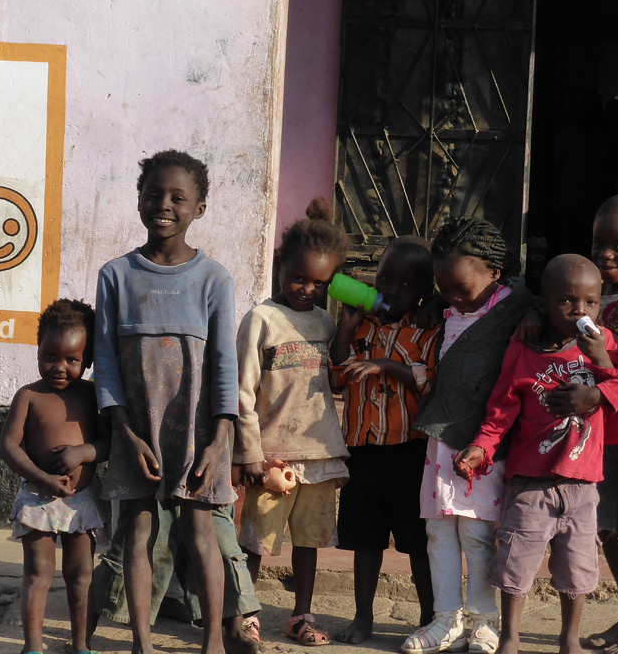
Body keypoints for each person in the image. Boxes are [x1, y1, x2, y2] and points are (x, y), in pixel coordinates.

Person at [94, 149, 238, 654]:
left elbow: (224, 366)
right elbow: (107, 364)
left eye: (179, 197)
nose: (164, 205)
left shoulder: (214, 279)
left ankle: (214, 640)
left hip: (198, 434)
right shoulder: (116, 275)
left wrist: (219, 441)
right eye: (153, 194)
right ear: (138, 200)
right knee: (137, 532)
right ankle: (141, 642)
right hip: (135, 430)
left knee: (202, 532)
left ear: (200, 207)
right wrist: (125, 433)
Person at [454, 254, 618, 654]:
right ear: (544, 304)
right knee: (515, 565)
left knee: (578, 571)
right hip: (531, 484)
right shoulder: (525, 350)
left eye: (590, 302)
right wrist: (482, 446)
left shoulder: (604, 344)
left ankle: (568, 639)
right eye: (567, 301)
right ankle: (510, 638)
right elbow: (500, 410)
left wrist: (600, 356)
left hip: (583, 486)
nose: (580, 311)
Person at [403, 218, 535, 654]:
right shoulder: (445, 309)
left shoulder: (515, 310)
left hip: (484, 443)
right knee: (439, 532)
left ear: (494, 274)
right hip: (442, 439)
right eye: (445, 291)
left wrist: (532, 313)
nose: (454, 299)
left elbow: (542, 306)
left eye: (462, 289)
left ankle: (483, 620)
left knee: (477, 535)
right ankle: (445, 619)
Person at [233, 198, 350, 647]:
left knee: (309, 541)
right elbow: (242, 391)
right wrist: (250, 455)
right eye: (298, 277)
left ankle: (301, 615)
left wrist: (348, 327)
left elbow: (335, 372)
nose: (306, 289)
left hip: (319, 451)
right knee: (257, 542)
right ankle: (245, 613)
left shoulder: (324, 320)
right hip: (272, 453)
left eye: (319, 283)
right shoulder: (261, 319)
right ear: (280, 265)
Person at [541, 194, 618, 653]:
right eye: (599, 243)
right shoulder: (585, 292)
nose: (605, 254)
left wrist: (600, 395)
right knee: (609, 528)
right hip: (599, 436)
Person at [330, 236, 439, 643]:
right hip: (363, 450)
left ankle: (430, 618)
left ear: (427, 292)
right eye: (384, 278)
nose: (391, 290)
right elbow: (337, 375)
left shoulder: (429, 331)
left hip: (410, 451)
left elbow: (429, 384)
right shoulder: (364, 326)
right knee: (366, 540)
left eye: (405, 284)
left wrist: (387, 366)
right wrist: (344, 330)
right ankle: (362, 617)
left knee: (418, 543)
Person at [0, 299, 109, 654]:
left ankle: (81, 645)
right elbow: (9, 447)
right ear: (38, 350)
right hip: (38, 496)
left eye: (71, 360)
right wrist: (41, 479)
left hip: (82, 501)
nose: (58, 367)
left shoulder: (93, 396)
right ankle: (32, 647)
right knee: (38, 572)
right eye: (49, 356)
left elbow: (108, 443)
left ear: (87, 360)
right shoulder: (29, 396)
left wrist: (83, 452)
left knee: (81, 576)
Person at [92, 502, 261, 654]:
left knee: (223, 547)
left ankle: (230, 634)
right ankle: (90, 639)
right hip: (154, 485)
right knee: (136, 547)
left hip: (201, 485)